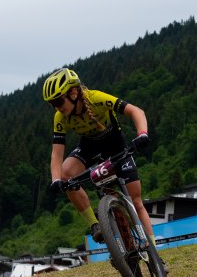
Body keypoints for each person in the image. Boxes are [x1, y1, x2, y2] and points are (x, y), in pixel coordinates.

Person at [42, 67, 156, 246]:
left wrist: (142, 134)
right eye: (52, 104)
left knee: (136, 201)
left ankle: (155, 252)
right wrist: (56, 180)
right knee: (65, 174)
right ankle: (95, 225)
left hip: (115, 146)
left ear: (73, 92)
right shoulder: (60, 117)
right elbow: (57, 153)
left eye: (58, 101)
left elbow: (136, 111)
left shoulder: (96, 98)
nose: (56, 107)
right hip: (89, 148)